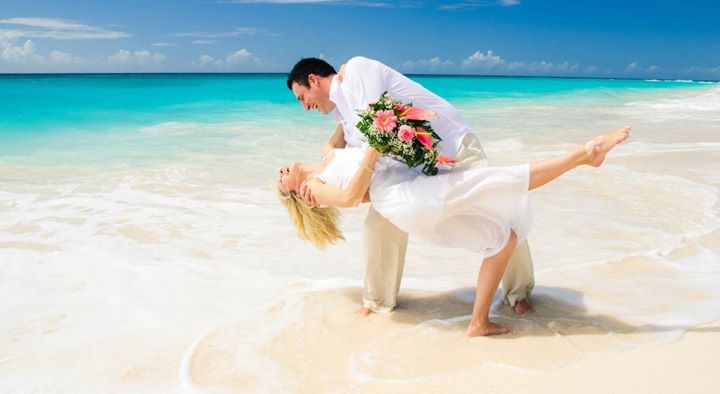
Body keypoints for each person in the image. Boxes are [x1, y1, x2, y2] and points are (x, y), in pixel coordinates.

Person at [276, 126, 631, 336]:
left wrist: (365, 106)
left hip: (412, 197)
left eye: (279, 172)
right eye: (280, 181)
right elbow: (352, 197)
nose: (280, 171)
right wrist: (373, 149)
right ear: (295, 193)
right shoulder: (316, 188)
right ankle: (585, 154)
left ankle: (478, 322)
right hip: (402, 198)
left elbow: (343, 118)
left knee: (501, 239)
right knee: (498, 182)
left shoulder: (327, 156)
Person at [286, 56, 536, 316]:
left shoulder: (357, 70)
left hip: (453, 148)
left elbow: (378, 128)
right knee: (379, 223)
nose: (305, 107)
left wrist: (356, 192)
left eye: (301, 97)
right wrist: (319, 182)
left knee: (498, 207)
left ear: (313, 80)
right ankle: (377, 300)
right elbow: (349, 155)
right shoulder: (344, 116)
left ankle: (518, 292)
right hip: (413, 167)